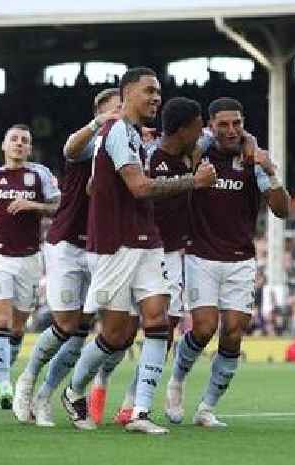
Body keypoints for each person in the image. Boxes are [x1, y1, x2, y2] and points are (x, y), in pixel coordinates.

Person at [61, 67, 216, 435]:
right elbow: (139, 188)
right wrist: (193, 181)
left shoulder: (133, 136)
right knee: (116, 334)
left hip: (147, 240)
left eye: (159, 92)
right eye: (149, 91)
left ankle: (139, 412)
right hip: (116, 243)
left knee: (158, 320)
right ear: (127, 93)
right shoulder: (115, 133)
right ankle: (73, 390)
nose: (156, 98)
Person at [173, 97, 290, 428]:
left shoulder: (254, 160)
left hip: (240, 258)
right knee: (205, 327)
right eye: (223, 124)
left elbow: (283, 210)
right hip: (200, 255)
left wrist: (270, 170)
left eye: (237, 123)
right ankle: (177, 380)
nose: (231, 130)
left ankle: (207, 408)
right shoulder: (199, 152)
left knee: (234, 334)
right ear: (210, 126)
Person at [12, 88, 120, 426]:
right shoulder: (87, 144)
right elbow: (69, 147)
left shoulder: (129, 148)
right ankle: (27, 380)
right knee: (67, 323)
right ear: (100, 112)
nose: (121, 114)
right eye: (115, 109)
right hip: (66, 243)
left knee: (83, 329)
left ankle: (46, 395)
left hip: (102, 248)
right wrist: (99, 122)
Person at [110, 97, 204, 425]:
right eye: (198, 125)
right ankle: (92, 384)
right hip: (144, 250)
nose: (203, 130)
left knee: (165, 329)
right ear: (183, 130)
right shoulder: (148, 155)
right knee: (121, 332)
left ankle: (133, 400)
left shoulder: (192, 153)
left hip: (174, 253)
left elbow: (226, 137)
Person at [0, 124, 60, 410]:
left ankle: (1, 378)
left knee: (19, 328)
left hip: (31, 258)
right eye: (14, 140)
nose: (19, 144)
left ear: (29, 148)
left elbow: (59, 205)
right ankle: (3, 382)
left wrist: (33, 205)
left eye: (25, 141)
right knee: (3, 320)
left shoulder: (39, 174)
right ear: (5, 146)